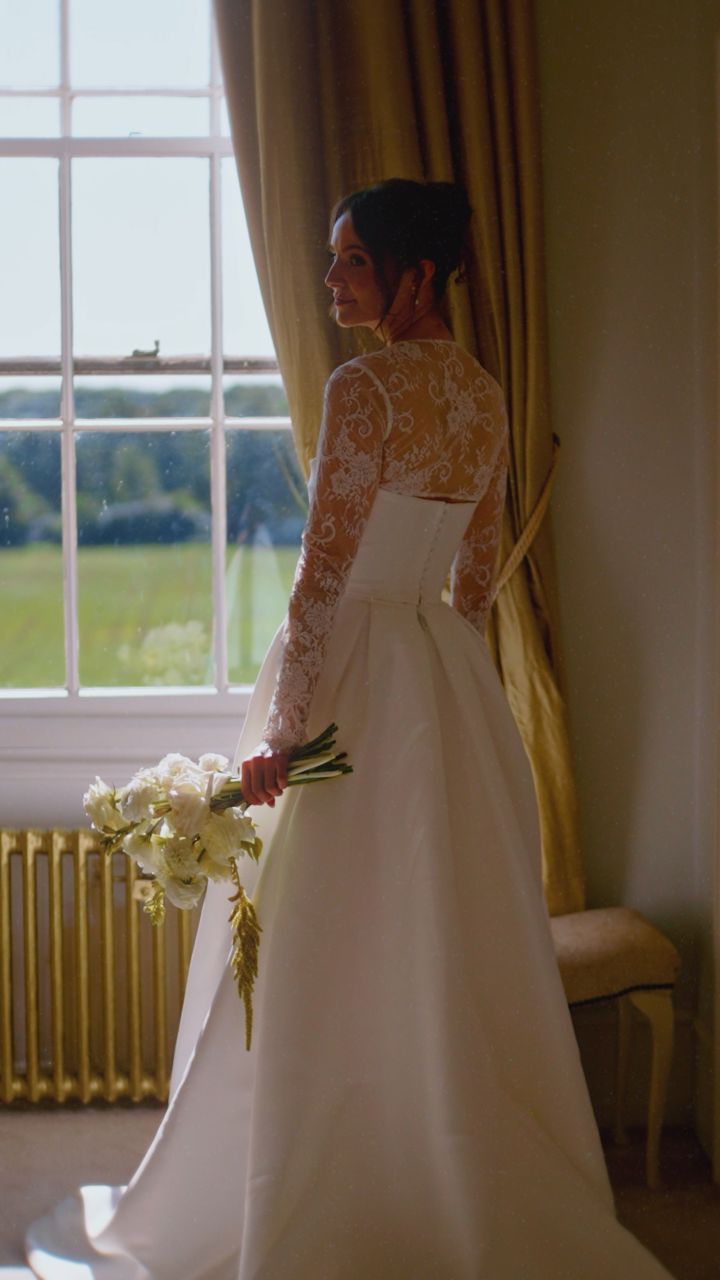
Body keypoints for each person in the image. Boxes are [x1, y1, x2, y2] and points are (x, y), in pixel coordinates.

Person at [25, 178, 676, 1279]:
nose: (332, 281)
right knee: (437, 931)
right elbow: (473, 579)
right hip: (444, 682)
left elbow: (321, 574)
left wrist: (282, 731)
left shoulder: (365, 387)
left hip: (354, 677)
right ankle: (442, 1178)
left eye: (352, 262)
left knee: (317, 933)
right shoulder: (484, 395)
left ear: (416, 275)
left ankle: (322, 1185)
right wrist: (438, 679)